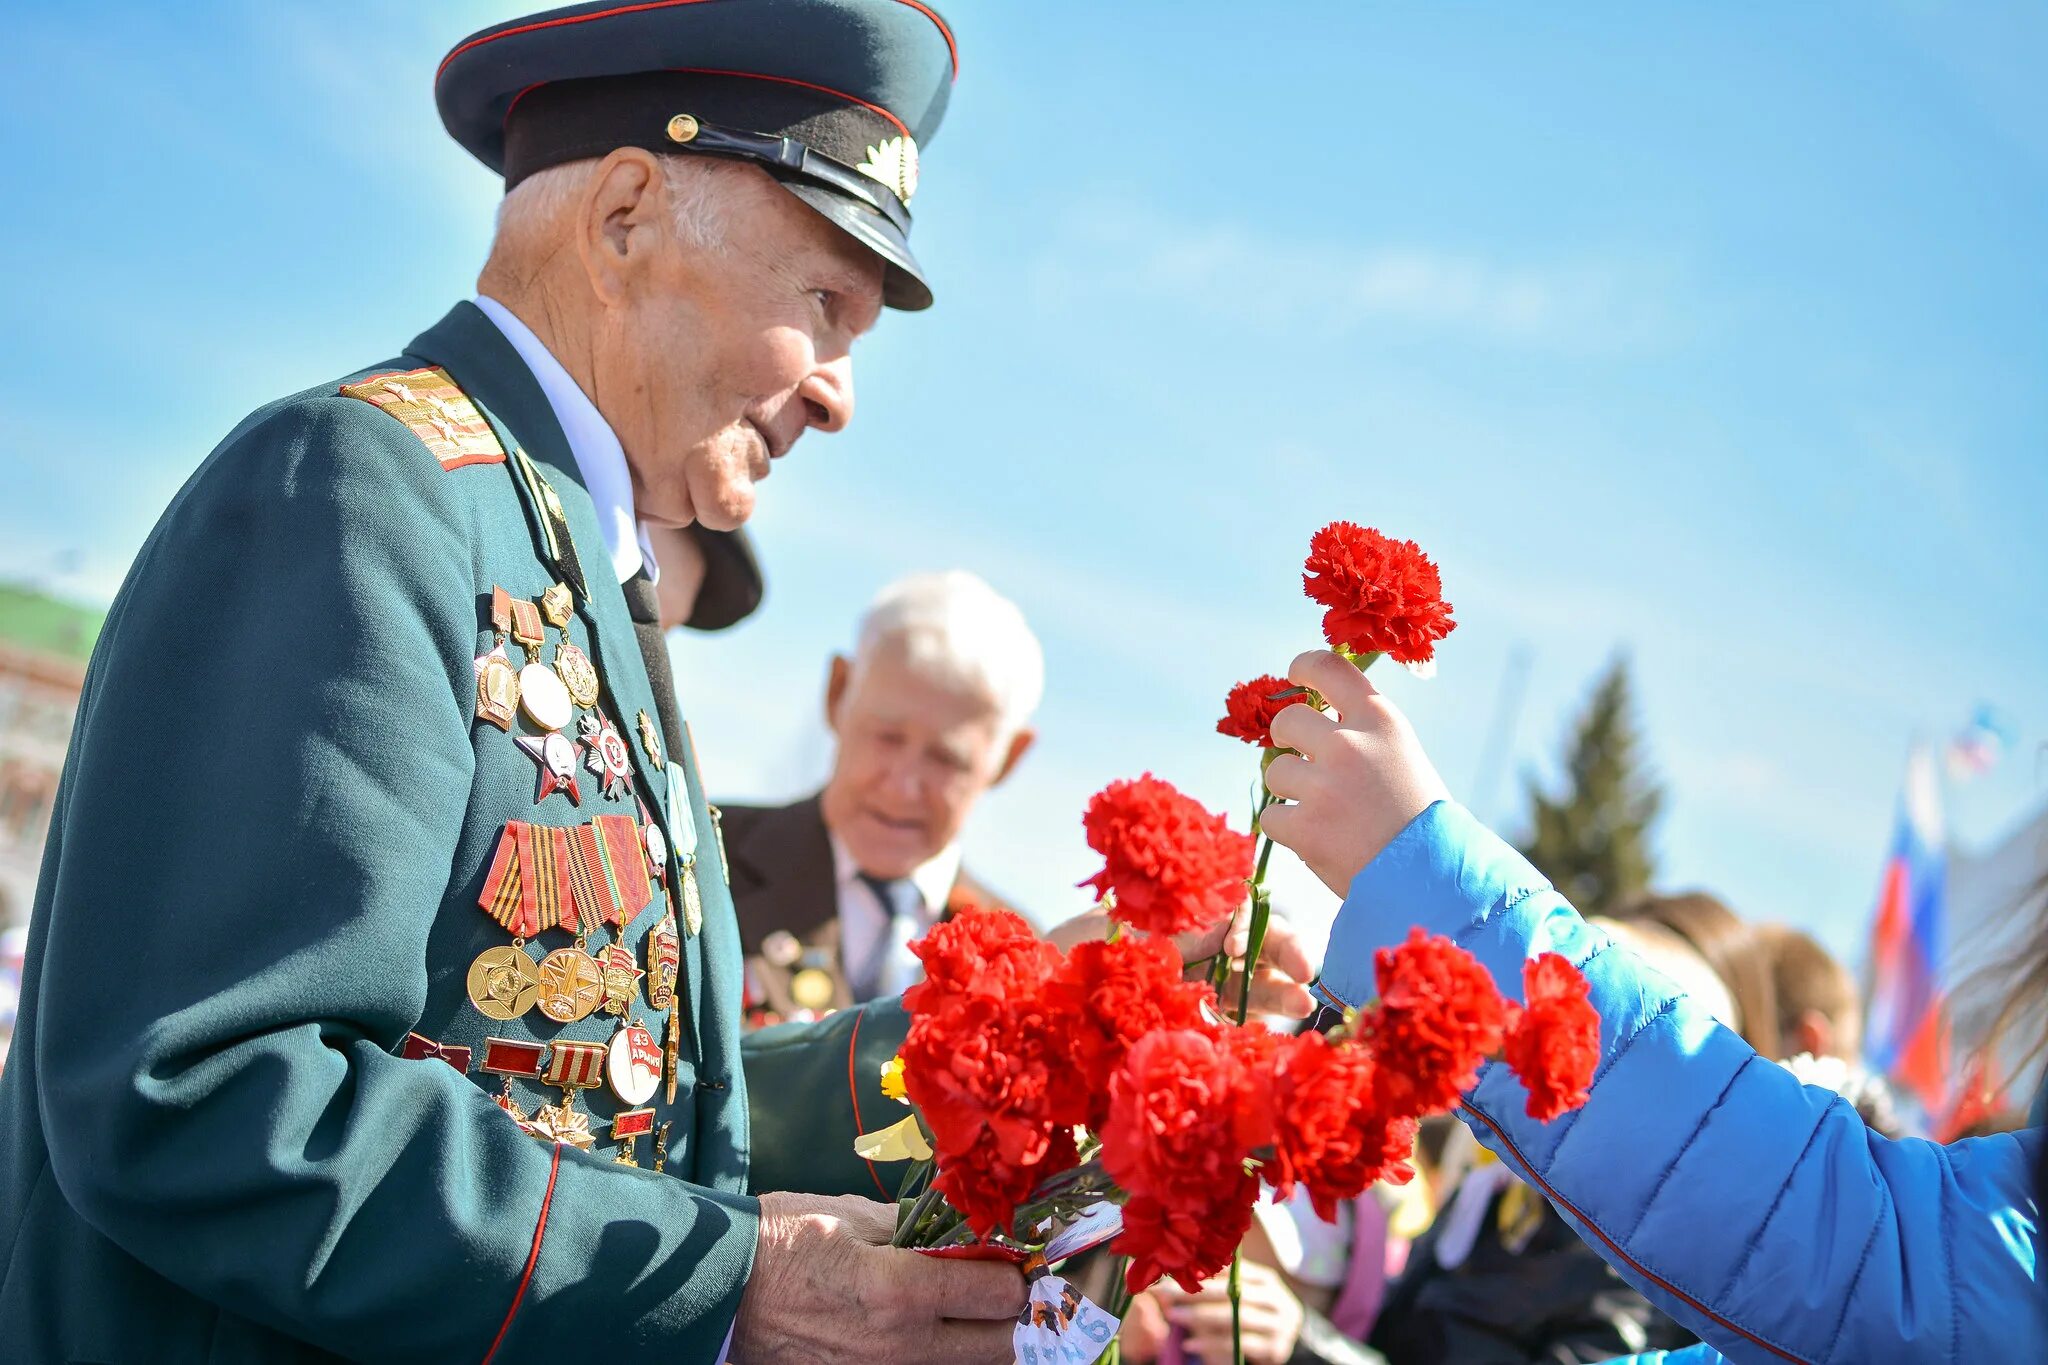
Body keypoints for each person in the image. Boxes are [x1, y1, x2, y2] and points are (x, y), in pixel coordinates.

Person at [0, 4, 1094, 1359]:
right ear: (627, 215)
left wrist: (1059, 1023)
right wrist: (725, 1284)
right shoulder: (357, 492)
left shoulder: (557, 548)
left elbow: (631, 1100)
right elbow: (211, 1094)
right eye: (825, 305)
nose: (839, 395)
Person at [1258, 648, 2046, 1363]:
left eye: (1619, 991)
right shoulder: (1485, 1204)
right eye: (1588, 956)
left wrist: (1425, 877)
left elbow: (1855, 1249)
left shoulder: (1626, 1263)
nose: (1564, 999)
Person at [722, 571, 1042, 1019]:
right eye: (887, 736)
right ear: (837, 693)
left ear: (1008, 759)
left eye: (946, 758)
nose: (902, 784)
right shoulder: (703, 862)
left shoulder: (1028, 961)